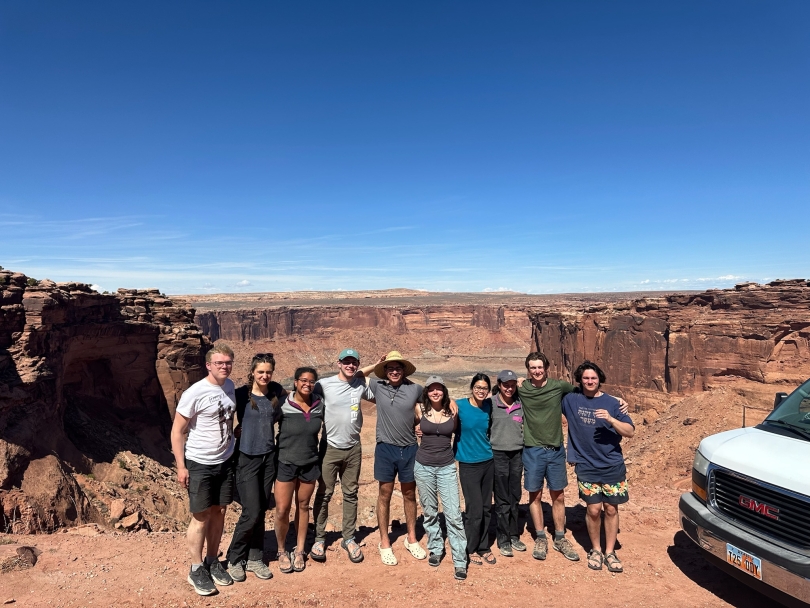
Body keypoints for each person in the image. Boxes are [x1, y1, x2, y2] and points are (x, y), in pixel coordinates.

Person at [520, 351, 629, 563]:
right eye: (532, 367)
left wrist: (615, 399)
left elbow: (587, 391)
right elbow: (501, 392)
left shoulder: (559, 387)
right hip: (532, 449)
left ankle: (560, 537)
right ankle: (541, 536)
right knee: (535, 495)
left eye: (540, 367)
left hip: (556, 450)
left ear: (547, 368)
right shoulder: (522, 387)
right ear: (528, 370)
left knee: (558, 496)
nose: (537, 371)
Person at [170, 343, 237, 596]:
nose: (224, 367)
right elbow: (177, 431)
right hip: (200, 463)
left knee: (219, 511)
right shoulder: (194, 392)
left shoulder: (229, 386)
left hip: (225, 460)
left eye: (228, 362)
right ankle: (196, 568)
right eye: (219, 363)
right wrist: (181, 466)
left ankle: (212, 561)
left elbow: (229, 418)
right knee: (200, 516)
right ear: (208, 365)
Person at [562, 361, 634, 573]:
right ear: (580, 380)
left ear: (599, 379)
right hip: (586, 465)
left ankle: (610, 552)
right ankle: (595, 549)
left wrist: (611, 419)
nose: (590, 381)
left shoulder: (613, 403)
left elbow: (629, 431)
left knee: (611, 509)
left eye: (593, 378)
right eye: (586, 378)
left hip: (612, 465)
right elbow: (545, 394)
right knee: (593, 510)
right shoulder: (570, 399)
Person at [310, 348, 376, 564]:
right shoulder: (324, 385)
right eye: (346, 362)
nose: (350, 366)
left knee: (351, 493)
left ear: (357, 365)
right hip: (329, 447)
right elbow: (303, 394)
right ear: (338, 363)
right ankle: (319, 538)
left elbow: (385, 396)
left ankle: (348, 537)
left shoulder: (360, 385)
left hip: (353, 448)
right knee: (325, 493)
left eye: (354, 363)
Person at [225, 353, 285, 582]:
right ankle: (234, 557)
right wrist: (233, 431)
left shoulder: (275, 390)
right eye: (260, 371)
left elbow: (297, 398)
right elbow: (221, 415)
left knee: (260, 510)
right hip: (246, 458)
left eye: (268, 371)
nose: (264, 375)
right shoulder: (241, 394)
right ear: (252, 372)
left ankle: (255, 557)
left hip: (268, 458)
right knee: (250, 511)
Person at [368, 351, 428, 566]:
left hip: (409, 448)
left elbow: (432, 403)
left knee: (409, 493)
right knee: (384, 493)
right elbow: (355, 377)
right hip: (385, 448)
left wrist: (421, 421)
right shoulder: (378, 387)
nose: (394, 371)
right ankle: (384, 542)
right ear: (385, 371)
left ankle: (411, 538)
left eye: (398, 368)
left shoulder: (415, 389)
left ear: (404, 371)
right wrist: (376, 362)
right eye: (390, 368)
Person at [413, 376, 468, 581]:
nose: (435, 393)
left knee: (453, 513)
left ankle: (460, 560)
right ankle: (436, 548)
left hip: (446, 467)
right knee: (430, 511)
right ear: (426, 392)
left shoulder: (453, 411)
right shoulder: (419, 409)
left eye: (439, 389)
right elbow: (409, 424)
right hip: (423, 466)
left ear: (444, 391)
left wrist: (452, 401)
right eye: (431, 389)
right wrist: (415, 429)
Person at [274, 367, 324, 574]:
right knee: (282, 509)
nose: (307, 384)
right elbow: (262, 422)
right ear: (295, 382)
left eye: (311, 381)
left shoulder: (320, 404)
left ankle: (300, 550)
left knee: (303, 506)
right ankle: (281, 550)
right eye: (303, 380)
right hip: (285, 463)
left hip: (309, 463)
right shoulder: (283, 404)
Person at [454, 373, 496, 566]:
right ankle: (469, 549)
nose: (481, 391)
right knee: (474, 509)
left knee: (487, 508)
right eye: (478, 387)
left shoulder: (489, 406)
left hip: (488, 461)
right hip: (468, 464)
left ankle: (483, 546)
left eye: (484, 388)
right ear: (472, 388)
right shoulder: (459, 405)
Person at [490, 370, 526, 557]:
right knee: (502, 498)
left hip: (517, 454)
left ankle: (514, 534)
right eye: (506, 384)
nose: (509, 388)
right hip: (498, 454)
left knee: (515, 495)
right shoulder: (491, 404)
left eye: (512, 384)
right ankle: (503, 538)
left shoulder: (521, 404)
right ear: (499, 384)